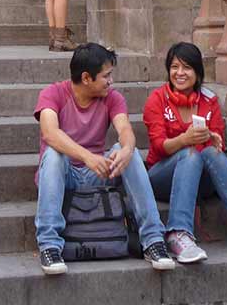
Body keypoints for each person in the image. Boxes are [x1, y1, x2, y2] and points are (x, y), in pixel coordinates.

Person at [34, 42, 174, 276]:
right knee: (54, 153)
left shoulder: (112, 98)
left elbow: (125, 129)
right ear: (86, 78)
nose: (111, 81)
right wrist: (87, 156)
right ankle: (49, 245)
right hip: (64, 174)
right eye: (106, 76)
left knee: (124, 149)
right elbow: (50, 132)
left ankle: (152, 240)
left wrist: (128, 149)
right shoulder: (53, 93)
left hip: (98, 172)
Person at [143, 41, 227, 263]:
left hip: (201, 178)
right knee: (190, 154)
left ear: (197, 72)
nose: (180, 73)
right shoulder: (157, 100)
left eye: (186, 68)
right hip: (162, 175)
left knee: (212, 154)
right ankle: (178, 233)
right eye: (174, 67)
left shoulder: (209, 101)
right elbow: (159, 146)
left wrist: (213, 141)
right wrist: (184, 139)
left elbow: (218, 145)